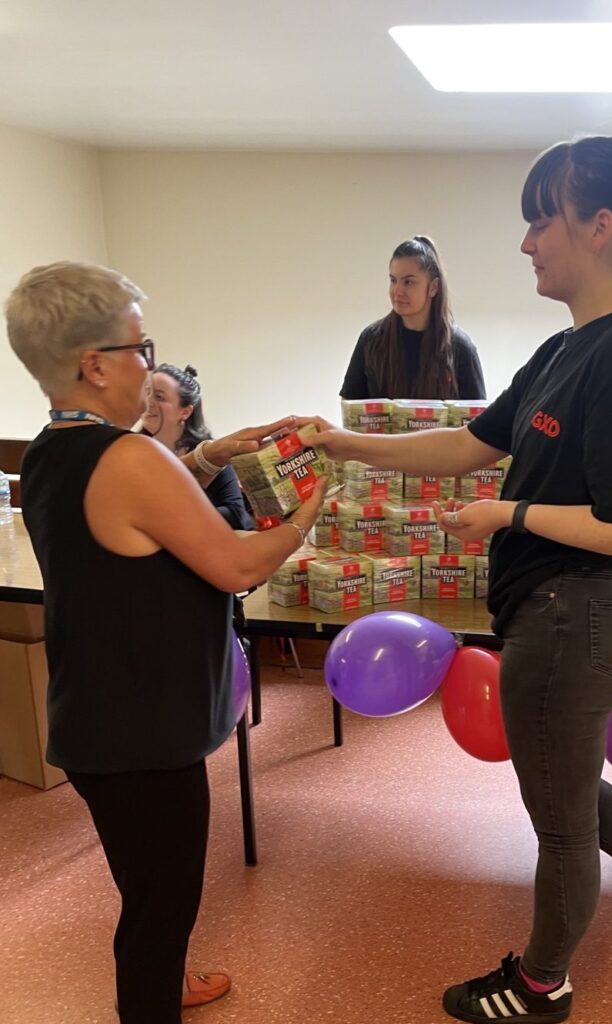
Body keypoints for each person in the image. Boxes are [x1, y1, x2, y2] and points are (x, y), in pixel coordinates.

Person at [312, 136, 612, 1023]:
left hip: (575, 618)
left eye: (541, 218)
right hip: (555, 615)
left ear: (598, 225)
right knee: (571, 792)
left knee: (560, 823)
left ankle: (542, 984)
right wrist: (342, 441)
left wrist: (508, 515)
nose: (526, 240)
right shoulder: (563, 351)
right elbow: (468, 444)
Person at [6, 261, 329, 1024]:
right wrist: (305, 512)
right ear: (94, 364)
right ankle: (155, 997)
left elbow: (130, 508)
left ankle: (168, 978)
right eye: (139, 348)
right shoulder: (131, 458)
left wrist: (213, 456)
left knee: (146, 885)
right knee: (160, 910)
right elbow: (239, 563)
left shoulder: (54, 451)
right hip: (143, 738)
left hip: (98, 721)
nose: (148, 365)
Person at [340, 235, 486, 400]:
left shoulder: (460, 346)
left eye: (408, 282)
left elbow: (477, 420)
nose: (397, 291)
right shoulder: (371, 339)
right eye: (393, 280)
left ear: (433, 287)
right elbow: (350, 408)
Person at [141, 362, 255, 530]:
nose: (147, 402)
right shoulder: (129, 449)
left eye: (159, 397)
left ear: (185, 412)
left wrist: (184, 516)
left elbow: (238, 516)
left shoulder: (210, 454)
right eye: (146, 392)